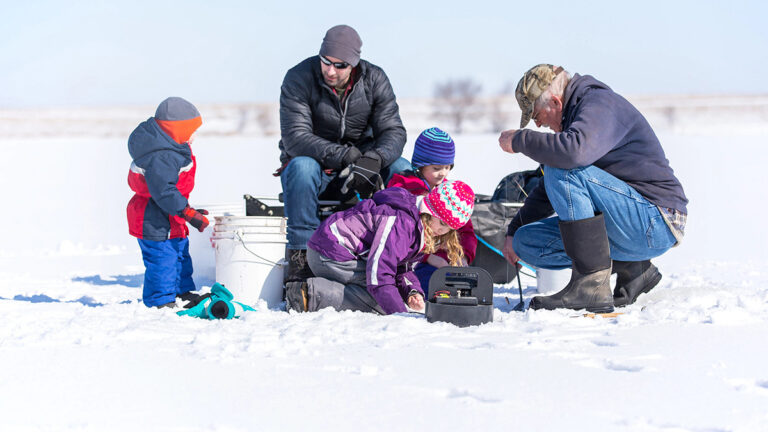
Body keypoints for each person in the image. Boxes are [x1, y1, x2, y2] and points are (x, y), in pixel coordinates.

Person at [498, 64, 688, 313]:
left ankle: (590, 285)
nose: (543, 127)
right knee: (527, 241)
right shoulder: (577, 121)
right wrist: (513, 231)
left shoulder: (599, 104)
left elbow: (570, 156)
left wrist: (520, 140)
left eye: (539, 119)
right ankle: (633, 268)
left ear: (555, 102)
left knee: (561, 164)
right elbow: (550, 187)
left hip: (657, 220)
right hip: (630, 220)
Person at [276, 24, 411, 284]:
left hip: (364, 169)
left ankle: (400, 251)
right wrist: (347, 156)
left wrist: (374, 159)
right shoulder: (298, 78)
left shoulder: (375, 79)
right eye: (325, 61)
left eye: (339, 66)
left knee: (401, 167)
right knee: (301, 167)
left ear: (354, 64)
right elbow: (296, 138)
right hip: (318, 169)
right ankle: (301, 259)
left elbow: (393, 131)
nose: (330, 70)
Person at [284, 180, 475, 315]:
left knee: (388, 294)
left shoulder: (419, 225)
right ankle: (309, 294)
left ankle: (318, 290)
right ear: (429, 210)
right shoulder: (402, 222)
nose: (442, 231)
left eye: (449, 229)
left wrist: (412, 291)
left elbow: (401, 268)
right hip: (329, 253)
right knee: (379, 301)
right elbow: (380, 273)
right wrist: (401, 316)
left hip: (339, 255)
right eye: (441, 223)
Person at [127, 97, 210, 308]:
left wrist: (184, 208)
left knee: (180, 253)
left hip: (170, 215)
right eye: (191, 131)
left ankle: (182, 292)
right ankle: (160, 301)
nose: (194, 137)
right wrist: (186, 212)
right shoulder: (162, 155)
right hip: (153, 218)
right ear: (176, 130)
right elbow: (163, 191)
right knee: (163, 260)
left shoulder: (171, 148)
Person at [387, 127, 477, 288]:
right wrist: (429, 258)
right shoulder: (404, 188)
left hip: (443, 262)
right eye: (436, 168)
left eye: (447, 167)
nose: (443, 173)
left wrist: (464, 256)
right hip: (411, 262)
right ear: (420, 166)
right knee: (431, 285)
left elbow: (466, 229)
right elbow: (399, 235)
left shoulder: (450, 194)